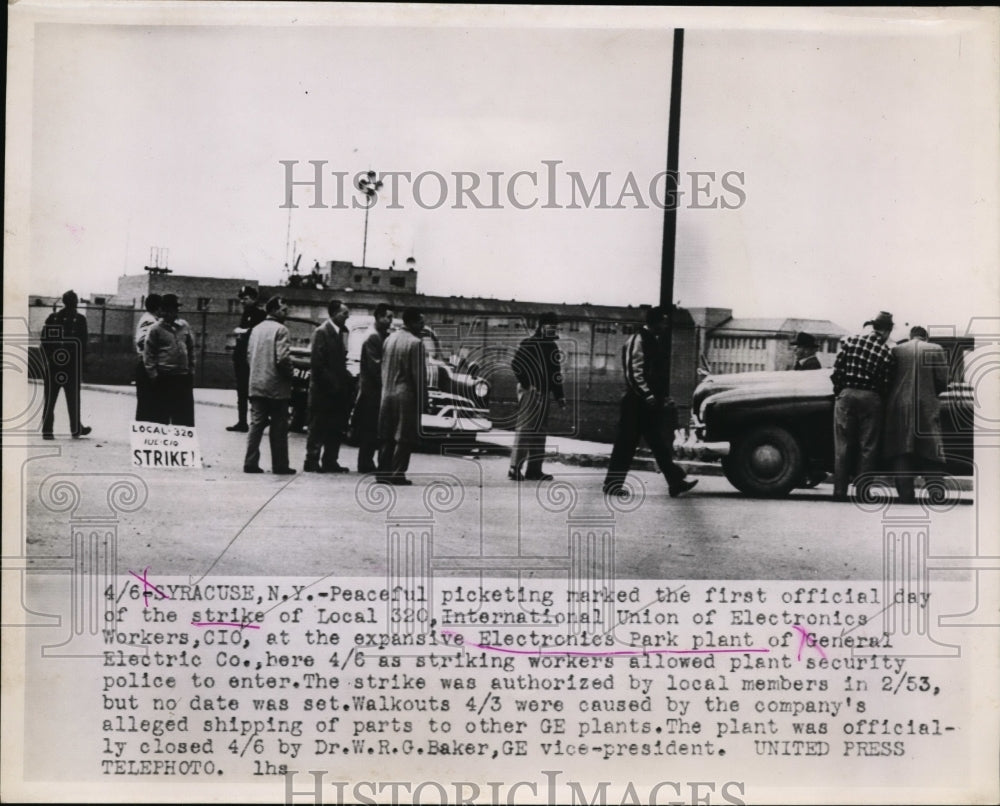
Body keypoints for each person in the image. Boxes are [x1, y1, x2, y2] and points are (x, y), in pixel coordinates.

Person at [603, 306, 697, 498]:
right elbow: (633, 372)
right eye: (662, 321)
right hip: (636, 403)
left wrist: (661, 396)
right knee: (626, 445)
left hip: (649, 403)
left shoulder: (654, 341)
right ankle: (613, 484)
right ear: (654, 322)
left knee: (658, 443)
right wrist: (647, 394)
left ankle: (675, 481)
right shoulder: (637, 340)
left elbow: (657, 375)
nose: (665, 325)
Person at [830, 310, 895, 501]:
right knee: (868, 447)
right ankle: (862, 492)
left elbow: (837, 370)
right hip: (871, 398)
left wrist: (840, 391)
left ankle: (840, 492)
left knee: (842, 445)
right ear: (887, 331)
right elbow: (886, 383)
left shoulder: (851, 341)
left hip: (847, 395)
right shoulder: (885, 352)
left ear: (874, 326)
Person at [883, 326, 949, 503]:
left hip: (898, 406)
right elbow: (943, 381)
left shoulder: (896, 350)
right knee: (931, 452)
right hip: (926, 406)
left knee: (901, 451)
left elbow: (887, 378)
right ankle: (936, 495)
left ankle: (906, 496)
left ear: (910, 336)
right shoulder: (936, 349)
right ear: (925, 337)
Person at [509, 311, 567, 481]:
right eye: (550, 326)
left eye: (555, 327)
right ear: (541, 327)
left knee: (540, 432)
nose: (553, 329)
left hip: (545, 394)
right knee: (525, 429)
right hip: (531, 393)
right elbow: (516, 365)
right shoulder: (529, 343)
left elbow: (555, 374)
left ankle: (534, 470)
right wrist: (528, 385)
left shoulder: (552, 347)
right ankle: (514, 468)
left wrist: (559, 396)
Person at [244, 296, 296, 475]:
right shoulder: (282, 330)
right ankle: (280, 464)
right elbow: (282, 358)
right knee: (279, 427)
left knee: (256, 424)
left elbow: (249, 356)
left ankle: (250, 462)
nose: (286, 312)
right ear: (273, 310)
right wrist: (291, 375)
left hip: (256, 383)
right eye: (283, 309)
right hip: (276, 387)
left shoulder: (256, 329)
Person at [378, 308, 427, 486]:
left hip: (387, 392)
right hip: (405, 394)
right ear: (412, 323)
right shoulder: (416, 343)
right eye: (420, 322)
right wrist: (423, 400)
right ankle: (397, 473)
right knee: (403, 436)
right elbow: (418, 376)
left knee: (386, 435)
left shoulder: (389, 339)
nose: (423, 325)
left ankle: (382, 472)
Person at [303, 299, 353, 473]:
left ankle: (330, 460)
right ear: (333, 313)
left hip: (336, 391)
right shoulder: (322, 332)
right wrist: (333, 384)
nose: (347, 316)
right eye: (344, 313)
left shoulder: (340, 333)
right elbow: (317, 364)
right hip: (323, 391)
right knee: (318, 426)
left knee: (335, 426)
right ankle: (312, 459)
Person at [40, 289, 91, 439]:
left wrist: (51, 358)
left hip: (54, 366)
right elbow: (82, 344)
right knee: (73, 399)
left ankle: (47, 431)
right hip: (72, 367)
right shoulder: (80, 319)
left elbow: (45, 341)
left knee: (50, 399)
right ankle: (75, 429)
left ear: (63, 301)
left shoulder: (53, 318)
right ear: (76, 302)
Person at [352, 303, 394, 473]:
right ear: (379, 317)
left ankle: (367, 462)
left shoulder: (381, 336)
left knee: (372, 428)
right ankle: (365, 463)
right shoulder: (373, 337)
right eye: (388, 317)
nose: (390, 321)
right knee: (370, 428)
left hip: (375, 390)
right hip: (372, 392)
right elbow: (375, 367)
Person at [143, 293, 195, 426]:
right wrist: (153, 375)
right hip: (164, 377)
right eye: (167, 309)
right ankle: (163, 445)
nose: (171, 313)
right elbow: (149, 354)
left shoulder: (184, 326)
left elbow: (191, 349)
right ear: (162, 310)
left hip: (182, 377)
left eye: (174, 309)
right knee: (161, 417)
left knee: (184, 417)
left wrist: (191, 370)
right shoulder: (155, 329)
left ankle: (183, 446)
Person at [227, 286, 266, 432]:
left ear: (254, 299)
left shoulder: (259, 314)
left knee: (252, 390)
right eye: (241, 298)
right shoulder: (246, 313)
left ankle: (261, 419)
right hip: (242, 357)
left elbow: (255, 332)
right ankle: (242, 421)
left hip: (252, 358)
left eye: (246, 298)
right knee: (242, 390)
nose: (242, 301)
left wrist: (242, 331)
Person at [134, 294, 162, 421]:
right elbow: (142, 341)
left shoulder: (152, 319)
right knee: (146, 405)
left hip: (148, 364)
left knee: (149, 405)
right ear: (158, 307)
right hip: (147, 365)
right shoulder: (149, 321)